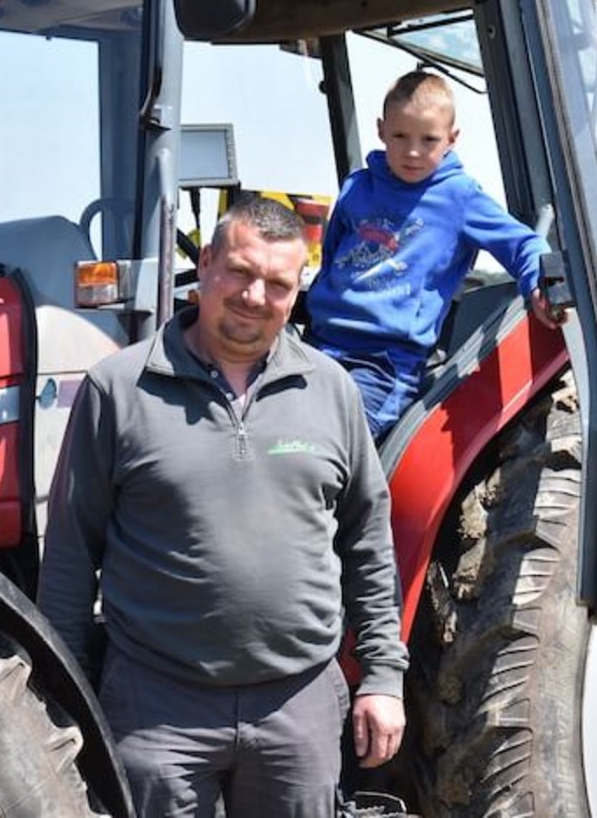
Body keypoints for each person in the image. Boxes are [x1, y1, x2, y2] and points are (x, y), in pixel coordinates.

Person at [38, 197, 409, 817]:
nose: (254, 296)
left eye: (277, 283)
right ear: (206, 263)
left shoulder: (330, 389)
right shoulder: (119, 389)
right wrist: (63, 695)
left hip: (299, 706)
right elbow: (73, 551)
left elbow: (368, 542)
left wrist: (382, 677)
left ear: (298, 291)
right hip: (157, 708)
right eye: (239, 271)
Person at [306, 70, 561, 440]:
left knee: (333, 444)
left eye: (428, 140)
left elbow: (522, 243)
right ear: (381, 131)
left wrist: (541, 279)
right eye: (400, 136)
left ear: (451, 139)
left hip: (385, 361)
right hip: (321, 343)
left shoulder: (459, 197)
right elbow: (332, 260)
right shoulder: (358, 187)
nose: (412, 151)